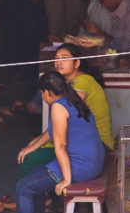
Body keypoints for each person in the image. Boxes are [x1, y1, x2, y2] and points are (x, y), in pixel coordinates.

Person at [15, 71, 105, 213]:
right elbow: (53, 131)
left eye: (42, 93)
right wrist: (33, 146)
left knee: (23, 188)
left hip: (80, 166)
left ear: (49, 93)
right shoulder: (72, 99)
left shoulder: (58, 107)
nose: (42, 97)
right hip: (94, 163)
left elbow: (61, 146)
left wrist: (66, 180)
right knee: (33, 176)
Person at [18, 43, 114, 176]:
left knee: (29, 157)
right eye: (56, 58)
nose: (59, 62)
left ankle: (33, 192)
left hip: (96, 147)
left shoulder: (84, 81)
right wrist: (36, 143)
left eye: (64, 58)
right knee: (34, 146)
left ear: (77, 63)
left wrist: (34, 146)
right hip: (82, 141)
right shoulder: (69, 83)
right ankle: (48, 193)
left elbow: (65, 114)